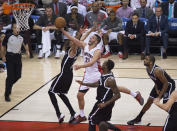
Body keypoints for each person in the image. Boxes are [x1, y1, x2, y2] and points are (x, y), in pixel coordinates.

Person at [61, 27, 102, 124]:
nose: (90, 39)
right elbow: (74, 39)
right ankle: (82, 116)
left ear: (96, 41)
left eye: (92, 38)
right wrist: (63, 31)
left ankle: (134, 94)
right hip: (88, 75)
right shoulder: (85, 46)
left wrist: (80, 66)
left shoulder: (97, 51)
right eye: (90, 37)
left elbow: (92, 63)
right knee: (79, 95)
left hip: (97, 74)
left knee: (113, 88)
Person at [127, 55, 176, 125]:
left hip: (169, 85)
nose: (144, 60)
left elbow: (166, 84)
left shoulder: (157, 70)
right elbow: (155, 80)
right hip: (159, 85)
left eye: (146, 59)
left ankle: (174, 117)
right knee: (149, 101)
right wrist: (156, 89)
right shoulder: (147, 68)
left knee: (166, 104)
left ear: (151, 62)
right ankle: (138, 118)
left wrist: (159, 96)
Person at [76, 59, 121, 131]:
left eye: (104, 63)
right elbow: (97, 84)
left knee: (91, 118)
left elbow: (118, 95)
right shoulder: (103, 74)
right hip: (102, 101)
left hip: (105, 102)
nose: (102, 64)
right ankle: (117, 130)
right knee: (101, 122)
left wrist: (105, 104)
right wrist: (84, 83)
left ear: (106, 66)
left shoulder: (110, 80)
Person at [48, 31, 81, 123]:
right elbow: (78, 41)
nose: (71, 40)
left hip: (64, 75)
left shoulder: (73, 50)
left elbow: (76, 42)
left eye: (73, 40)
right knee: (61, 93)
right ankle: (73, 113)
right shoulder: (77, 50)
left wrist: (77, 35)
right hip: (68, 75)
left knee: (51, 92)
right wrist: (82, 33)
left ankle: (59, 114)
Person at [1, 23, 29, 102]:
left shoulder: (22, 36)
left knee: (18, 76)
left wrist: (27, 51)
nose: (17, 30)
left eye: (18, 28)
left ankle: (9, 86)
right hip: (10, 57)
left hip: (18, 57)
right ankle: (7, 94)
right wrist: (3, 56)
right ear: (13, 29)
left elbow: (25, 44)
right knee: (10, 76)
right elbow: (3, 46)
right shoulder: (8, 36)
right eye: (16, 28)